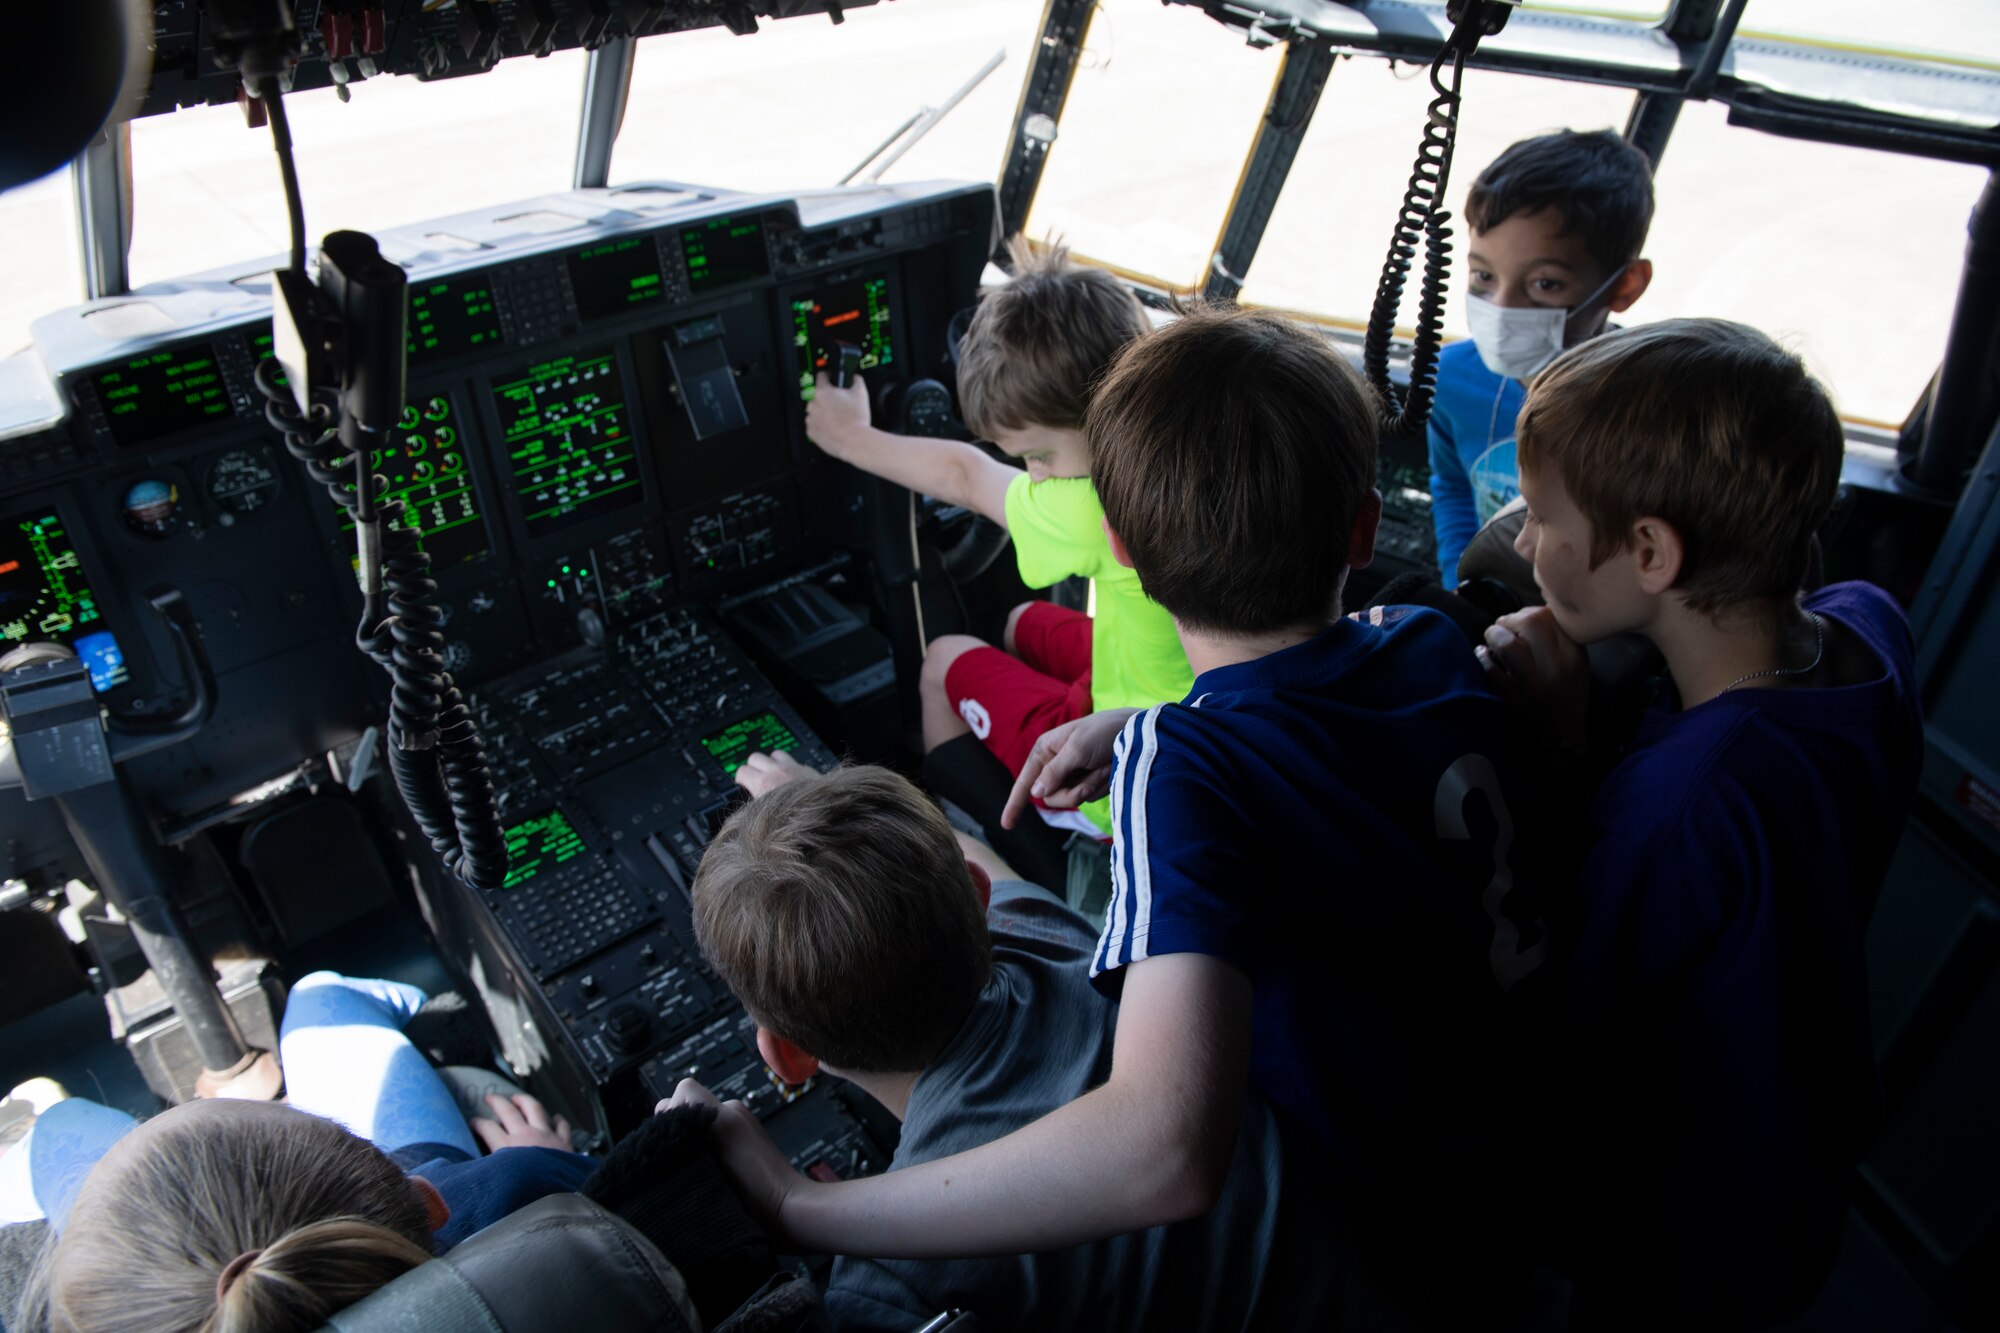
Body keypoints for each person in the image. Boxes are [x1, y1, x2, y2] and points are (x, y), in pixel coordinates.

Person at [672, 307, 1557, 1328]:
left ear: (1120, 549)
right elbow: (1315, 698)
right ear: (1362, 527)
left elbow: (1164, 1152)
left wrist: (796, 1204)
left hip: (1396, 1218)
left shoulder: (1177, 769)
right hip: (1514, 1131)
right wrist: (1142, 716)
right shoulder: (1421, 635)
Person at [1479, 319, 1922, 1327]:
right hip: (1800, 1161)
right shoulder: (1867, 620)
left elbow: (1566, 996)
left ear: (1647, 549)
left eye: (1541, 517)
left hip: (1679, 1215)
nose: (1518, 536)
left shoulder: (1681, 801)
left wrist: (1552, 749)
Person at [691, 754, 1348, 1331]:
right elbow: (980, 872)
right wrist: (824, 803)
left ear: (787, 1055)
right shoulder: (1043, 935)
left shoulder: (892, 1282)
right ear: (981, 902)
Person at [803, 238, 1191, 836]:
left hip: (1126, 770)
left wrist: (849, 436)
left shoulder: (1096, 508)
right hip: (1172, 691)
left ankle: (970, 833)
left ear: (1101, 411)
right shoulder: (1187, 441)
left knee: (941, 659)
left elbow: (965, 475)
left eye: (1038, 454)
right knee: (1021, 621)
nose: (1034, 475)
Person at [9, 973, 591, 1331]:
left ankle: (30, 1134)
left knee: (61, 1126)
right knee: (317, 996)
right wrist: (537, 1162)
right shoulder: (518, 1190)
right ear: (427, 1200)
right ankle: (407, 1003)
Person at [1430, 128, 1655, 589]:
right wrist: (1460, 585)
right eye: (1483, 275)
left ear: (1623, 287)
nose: (1503, 306)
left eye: (1545, 284)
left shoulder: (1647, 397)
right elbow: (1453, 486)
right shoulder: (1450, 379)